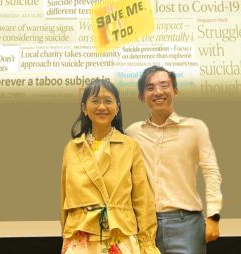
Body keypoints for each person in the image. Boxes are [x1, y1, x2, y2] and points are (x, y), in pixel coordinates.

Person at [126, 66, 222, 254]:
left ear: (175, 90)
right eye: (150, 87)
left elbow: (211, 173)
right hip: (144, 224)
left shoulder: (196, 128)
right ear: (141, 96)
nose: (158, 92)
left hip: (186, 224)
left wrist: (213, 215)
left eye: (164, 85)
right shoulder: (132, 133)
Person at [60, 78, 161, 254]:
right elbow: (65, 198)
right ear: (84, 108)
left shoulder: (129, 146)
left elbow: (142, 199)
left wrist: (147, 243)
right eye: (95, 101)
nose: (101, 107)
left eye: (108, 101)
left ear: (117, 107)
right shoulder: (72, 148)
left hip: (119, 235)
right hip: (80, 237)